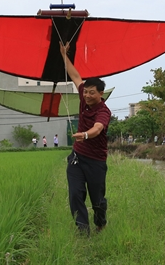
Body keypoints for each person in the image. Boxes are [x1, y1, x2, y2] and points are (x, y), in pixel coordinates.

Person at [60, 42, 111, 235]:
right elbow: (74, 75)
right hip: (77, 158)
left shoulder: (104, 112)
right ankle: (83, 232)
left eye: (91, 92)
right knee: (75, 194)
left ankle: (100, 222)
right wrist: (64, 55)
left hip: (96, 161)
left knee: (97, 199)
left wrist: (86, 134)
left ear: (100, 94)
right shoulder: (83, 97)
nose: (87, 95)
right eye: (85, 91)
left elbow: (98, 128)